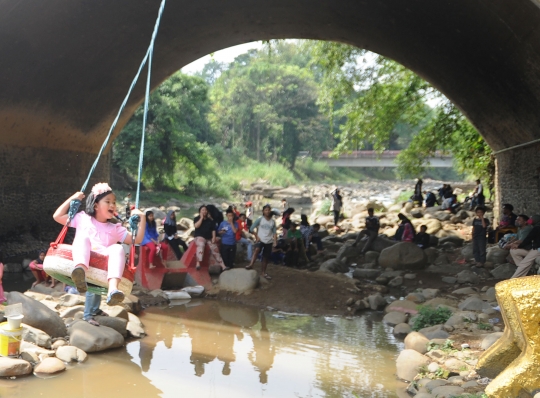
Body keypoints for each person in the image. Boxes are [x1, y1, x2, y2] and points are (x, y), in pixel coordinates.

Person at [52, 182, 146, 306]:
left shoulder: (115, 228)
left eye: (114, 202)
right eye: (108, 202)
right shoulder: (82, 218)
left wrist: (142, 218)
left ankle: (112, 289)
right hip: (83, 256)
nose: (112, 205)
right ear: (96, 206)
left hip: (102, 261)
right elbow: (57, 216)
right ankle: (80, 272)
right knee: (83, 237)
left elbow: (137, 239)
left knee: (117, 248)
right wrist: (73, 198)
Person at [246, 204, 277, 280]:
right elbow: (251, 229)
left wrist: (275, 241)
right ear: (263, 211)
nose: (267, 211)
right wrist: (256, 235)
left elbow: (274, 233)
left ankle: (263, 272)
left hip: (269, 241)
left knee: (265, 258)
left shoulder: (273, 222)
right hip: (261, 239)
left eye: (269, 210)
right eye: (266, 210)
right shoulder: (260, 219)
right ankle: (251, 264)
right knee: (257, 249)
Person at [193, 205, 227, 272]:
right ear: (200, 211)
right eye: (203, 210)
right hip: (199, 236)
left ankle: (223, 266)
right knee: (201, 244)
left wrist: (214, 237)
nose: (204, 211)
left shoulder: (210, 220)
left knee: (215, 248)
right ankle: (198, 262)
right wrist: (201, 218)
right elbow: (196, 226)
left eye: (205, 210)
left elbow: (213, 230)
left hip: (208, 237)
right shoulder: (197, 218)